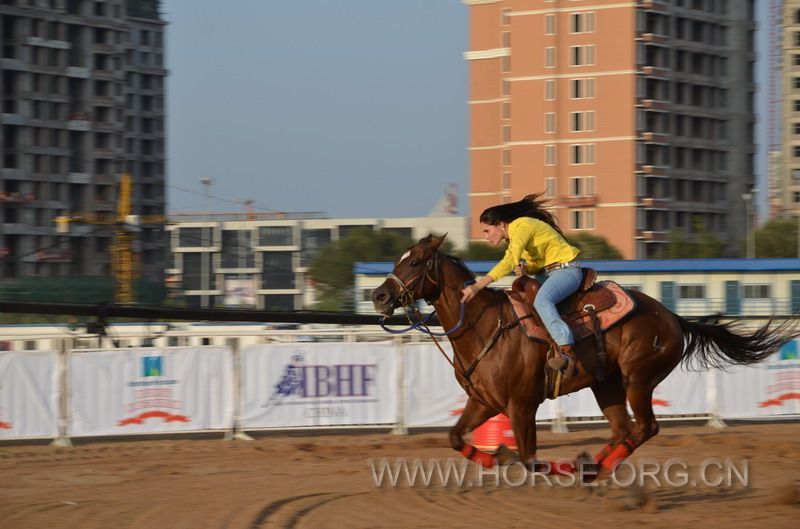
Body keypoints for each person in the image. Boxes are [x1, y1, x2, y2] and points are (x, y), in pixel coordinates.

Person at [460, 193, 582, 377]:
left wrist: (477, 286)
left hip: (567, 271)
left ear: (501, 225)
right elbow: (534, 263)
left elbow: (509, 261)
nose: (485, 236)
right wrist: (526, 269)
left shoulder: (521, 225)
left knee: (542, 301)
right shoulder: (516, 234)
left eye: (487, 230)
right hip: (548, 273)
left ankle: (567, 352)